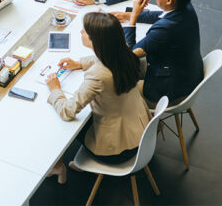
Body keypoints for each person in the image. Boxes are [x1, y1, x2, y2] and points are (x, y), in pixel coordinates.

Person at [44, 12, 152, 183]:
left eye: (84, 31)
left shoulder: (97, 76)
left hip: (117, 151)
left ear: (96, 40)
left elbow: (68, 110)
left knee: (59, 124)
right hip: (142, 134)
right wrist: (80, 63)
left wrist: (55, 89)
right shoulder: (124, 50)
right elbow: (103, 59)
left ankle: (57, 166)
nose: (80, 32)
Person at [112, 0, 204, 107]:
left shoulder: (164, 29)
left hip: (168, 91)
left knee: (116, 86)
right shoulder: (185, 6)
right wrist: (127, 15)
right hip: (187, 75)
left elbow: (130, 53)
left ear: (169, 0)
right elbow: (161, 15)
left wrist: (133, 18)